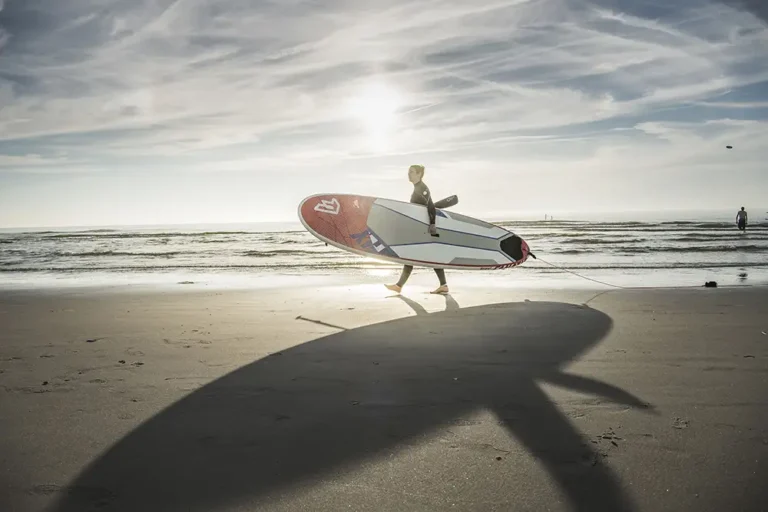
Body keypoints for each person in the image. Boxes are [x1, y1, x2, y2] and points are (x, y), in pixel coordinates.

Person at [385, 165, 449, 295]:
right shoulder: (417, 188)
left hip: (424, 228)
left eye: (412, 172)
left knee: (413, 256)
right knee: (421, 256)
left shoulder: (422, 188)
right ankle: (443, 285)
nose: (409, 174)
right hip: (421, 227)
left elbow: (430, 207)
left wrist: (432, 225)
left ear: (419, 174)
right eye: (408, 171)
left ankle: (400, 285)